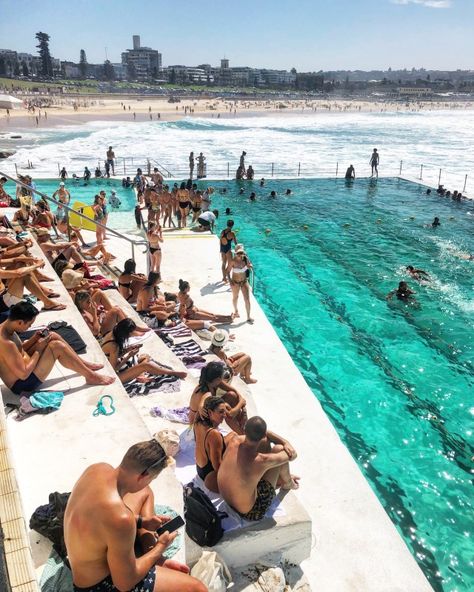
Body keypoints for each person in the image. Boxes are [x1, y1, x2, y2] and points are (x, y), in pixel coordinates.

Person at [64, 439, 206, 592]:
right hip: (97, 586)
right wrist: (160, 547)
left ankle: (151, 556)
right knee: (197, 588)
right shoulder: (121, 519)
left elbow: (99, 515)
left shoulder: (97, 469)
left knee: (144, 492)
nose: (148, 483)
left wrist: (142, 522)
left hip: (81, 556)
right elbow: (124, 584)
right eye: (150, 479)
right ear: (143, 476)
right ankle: (153, 557)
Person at [0, 301, 114, 395]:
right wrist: (39, 350)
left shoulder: (7, 326)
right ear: (20, 322)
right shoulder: (6, 342)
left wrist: (34, 339)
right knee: (57, 347)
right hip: (22, 384)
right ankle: (91, 376)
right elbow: (23, 374)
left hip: (25, 367)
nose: (30, 327)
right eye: (29, 325)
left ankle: (83, 364)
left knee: (52, 336)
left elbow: (19, 350)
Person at [217, 416, 299, 521]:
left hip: (226, 498)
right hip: (250, 512)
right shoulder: (261, 461)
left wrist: (273, 438)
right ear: (263, 434)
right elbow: (292, 455)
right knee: (278, 449)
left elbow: (263, 436)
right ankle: (288, 483)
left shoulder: (235, 440)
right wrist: (286, 443)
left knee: (265, 445)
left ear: (245, 430)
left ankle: (281, 479)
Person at [101, 318, 186, 384]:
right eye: (130, 333)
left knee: (145, 356)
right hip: (114, 376)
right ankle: (172, 373)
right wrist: (128, 356)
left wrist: (128, 349)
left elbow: (114, 355)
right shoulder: (114, 346)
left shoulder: (113, 333)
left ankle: (140, 375)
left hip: (114, 364)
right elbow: (113, 369)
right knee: (145, 365)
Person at [189, 361, 247, 433]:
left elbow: (234, 390)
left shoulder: (214, 382)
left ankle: (243, 426)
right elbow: (230, 414)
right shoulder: (207, 393)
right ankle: (243, 434)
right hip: (196, 427)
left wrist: (243, 410)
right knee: (226, 409)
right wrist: (241, 403)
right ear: (218, 378)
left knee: (232, 395)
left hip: (208, 418)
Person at [194, 397, 232, 493]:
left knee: (233, 436)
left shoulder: (198, 421)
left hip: (200, 469)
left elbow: (206, 395)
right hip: (210, 476)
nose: (225, 415)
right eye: (221, 412)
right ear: (210, 412)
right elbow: (218, 468)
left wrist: (201, 405)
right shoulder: (214, 434)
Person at [229, 245, 254, 323]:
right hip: (235, 282)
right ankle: (236, 311)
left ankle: (248, 316)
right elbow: (227, 271)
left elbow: (250, 265)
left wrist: (249, 266)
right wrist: (230, 281)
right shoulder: (232, 261)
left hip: (244, 282)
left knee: (247, 299)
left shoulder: (246, 259)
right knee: (235, 297)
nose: (240, 254)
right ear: (236, 253)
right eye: (238, 253)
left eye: (241, 253)